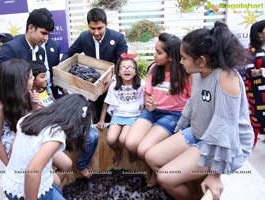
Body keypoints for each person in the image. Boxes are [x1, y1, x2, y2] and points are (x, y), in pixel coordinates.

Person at [145, 22, 254, 200]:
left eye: (184, 58)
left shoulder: (226, 78)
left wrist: (215, 174)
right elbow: (193, 103)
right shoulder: (197, 72)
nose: (180, 62)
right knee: (151, 157)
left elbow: (224, 127)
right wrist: (178, 129)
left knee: (165, 177)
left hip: (227, 142)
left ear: (201, 60)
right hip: (199, 131)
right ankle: (190, 186)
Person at [124, 33, 191, 186]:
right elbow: (148, 93)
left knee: (143, 150)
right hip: (152, 111)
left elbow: (192, 100)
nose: (154, 55)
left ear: (171, 57)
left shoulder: (184, 73)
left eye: (159, 52)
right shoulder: (154, 69)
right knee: (130, 143)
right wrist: (148, 103)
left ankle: (156, 171)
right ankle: (151, 165)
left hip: (174, 115)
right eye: (155, 50)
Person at [1, 94, 93, 200]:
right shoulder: (56, 132)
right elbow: (32, 171)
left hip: (9, 182)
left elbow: (13, 151)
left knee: (57, 182)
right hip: (25, 191)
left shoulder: (29, 117)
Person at [60, 7, 128, 123]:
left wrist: (113, 79)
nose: (96, 32)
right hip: (92, 84)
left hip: (112, 84)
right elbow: (69, 53)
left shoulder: (118, 38)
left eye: (100, 28)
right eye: (92, 28)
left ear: (106, 25)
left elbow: (123, 62)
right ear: (88, 26)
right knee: (95, 116)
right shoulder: (84, 37)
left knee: (113, 118)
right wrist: (62, 74)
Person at [0, 59, 40, 165]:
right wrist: (8, 164)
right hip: (14, 150)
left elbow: (28, 120)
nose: (33, 79)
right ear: (19, 83)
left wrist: (34, 107)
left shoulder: (26, 94)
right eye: (30, 77)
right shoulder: (0, 107)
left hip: (26, 138)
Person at [96, 53, 145, 166]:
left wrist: (141, 120)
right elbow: (106, 103)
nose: (126, 70)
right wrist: (101, 120)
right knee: (111, 139)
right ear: (118, 72)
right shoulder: (114, 86)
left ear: (135, 71)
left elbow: (142, 104)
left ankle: (132, 152)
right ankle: (118, 151)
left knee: (123, 139)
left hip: (134, 116)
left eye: (130, 68)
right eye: (123, 68)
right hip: (118, 115)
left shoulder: (141, 84)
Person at [0, 8, 54, 88]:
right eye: (43, 33)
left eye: (48, 34)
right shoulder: (10, 49)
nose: (46, 38)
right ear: (31, 28)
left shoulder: (41, 51)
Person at [245, 20, 265, 146]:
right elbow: (249, 71)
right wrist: (259, 71)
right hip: (257, 90)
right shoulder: (252, 50)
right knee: (257, 116)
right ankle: (251, 141)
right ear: (259, 33)